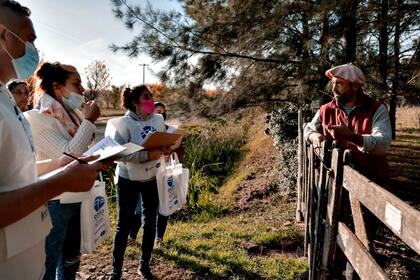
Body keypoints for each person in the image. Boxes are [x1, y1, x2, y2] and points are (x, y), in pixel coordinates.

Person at [0, 2, 103, 279]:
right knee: (54, 257)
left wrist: (66, 164)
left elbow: (21, 172)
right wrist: (63, 177)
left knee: (67, 258)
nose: (34, 50)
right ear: (2, 36)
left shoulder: (6, 102)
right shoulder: (37, 115)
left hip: (26, 250)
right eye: (29, 40)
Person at [24, 62, 100, 280]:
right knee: (49, 259)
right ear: (58, 87)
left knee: (71, 257)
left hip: (76, 195)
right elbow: (67, 155)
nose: (83, 89)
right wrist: (89, 121)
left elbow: (80, 154)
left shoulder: (71, 116)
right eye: (76, 84)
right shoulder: (39, 117)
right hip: (55, 201)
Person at [105, 85, 168, 280]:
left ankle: (144, 265)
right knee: (123, 224)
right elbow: (117, 153)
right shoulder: (122, 124)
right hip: (128, 179)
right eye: (146, 97)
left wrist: (168, 147)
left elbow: (162, 140)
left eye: (151, 96)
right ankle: (116, 270)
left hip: (152, 177)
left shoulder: (158, 120)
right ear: (135, 102)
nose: (151, 100)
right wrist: (146, 154)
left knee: (150, 222)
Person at [304, 63, 392, 184]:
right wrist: (315, 136)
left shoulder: (376, 109)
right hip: (336, 182)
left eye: (339, 83)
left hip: (371, 182)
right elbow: (308, 129)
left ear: (355, 86)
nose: (333, 89)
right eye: (333, 83)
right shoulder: (326, 109)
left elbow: (383, 144)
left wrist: (350, 136)